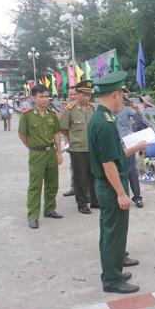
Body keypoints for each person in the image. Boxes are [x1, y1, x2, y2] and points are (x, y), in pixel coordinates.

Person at [88, 71, 148, 294]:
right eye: (122, 96)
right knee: (113, 232)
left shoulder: (102, 117)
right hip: (111, 186)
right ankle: (111, 280)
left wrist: (134, 148)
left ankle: (113, 269)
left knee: (111, 231)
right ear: (115, 94)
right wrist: (122, 193)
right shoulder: (104, 123)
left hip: (107, 185)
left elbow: (114, 154)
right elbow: (108, 164)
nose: (123, 100)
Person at [18, 84, 63, 229]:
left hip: (51, 152)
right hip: (37, 154)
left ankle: (49, 210)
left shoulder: (52, 115)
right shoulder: (27, 115)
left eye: (46, 96)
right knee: (35, 186)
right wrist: (32, 147)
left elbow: (56, 133)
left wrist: (58, 152)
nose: (45, 99)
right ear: (33, 97)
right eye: (41, 96)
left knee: (52, 183)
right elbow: (22, 135)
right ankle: (32, 216)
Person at [60, 80, 99, 215]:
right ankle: (82, 203)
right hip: (77, 150)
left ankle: (94, 200)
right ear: (76, 94)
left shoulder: (93, 109)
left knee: (93, 176)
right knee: (80, 178)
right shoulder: (69, 110)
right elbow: (64, 129)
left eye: (89, 95)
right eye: (84, 94)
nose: (87, 97)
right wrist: (71, 141)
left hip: (92, 149)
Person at [115, 88, 145, 208]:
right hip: (114, 143)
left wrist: (138, 110)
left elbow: (139, 119)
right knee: (116, 171)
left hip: (127, 143)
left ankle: (137, 197)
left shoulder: (127, 109)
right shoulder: (109, 109)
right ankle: (120, 195)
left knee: (132, 170)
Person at [63, 86, 78, 197]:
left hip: (86, 144)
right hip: (74, 144)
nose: (72, 96)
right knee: (74, 167)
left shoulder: (87, 107)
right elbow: (65, 129)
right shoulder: (68, 109)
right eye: (70, 94)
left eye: (74, 94)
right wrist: (67, 143)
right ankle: (74, 187)